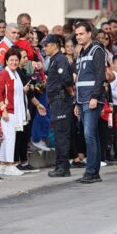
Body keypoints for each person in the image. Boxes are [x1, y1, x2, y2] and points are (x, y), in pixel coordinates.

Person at [73, 22, 106, 183]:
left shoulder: (97, 50)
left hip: (92, 99)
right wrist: (76, 102)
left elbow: (100, 76)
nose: (78, 37)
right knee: (92, 136)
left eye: (81, 34)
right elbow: (78, 80)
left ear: (89, 34)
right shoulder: (81, 53)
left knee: (89, 135)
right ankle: (94, 172)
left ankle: (91, 171)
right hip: (82, 99)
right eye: (77, 34)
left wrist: (95, 96)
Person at [43, 35, 73, 177]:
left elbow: (66, 80)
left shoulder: (60, 59)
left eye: (46, 45)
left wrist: (70, 94)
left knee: (61, 134)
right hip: (55, 101)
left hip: (61, 101)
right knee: (59, 133)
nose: (44, 48)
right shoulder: (54, 60)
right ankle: (61, 165)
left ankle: (63, 167)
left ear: (54, 45)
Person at [0, 48, 26, 176]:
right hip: (8, 111)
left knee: (9, 138)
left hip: (15, 110)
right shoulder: (4, 74)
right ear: (6, 61)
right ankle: (9, 164)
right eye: (11, 60)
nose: (14, 62)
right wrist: (4, 110)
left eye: (16, 60)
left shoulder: (16, 74)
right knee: (9, 138)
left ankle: (3, 165)